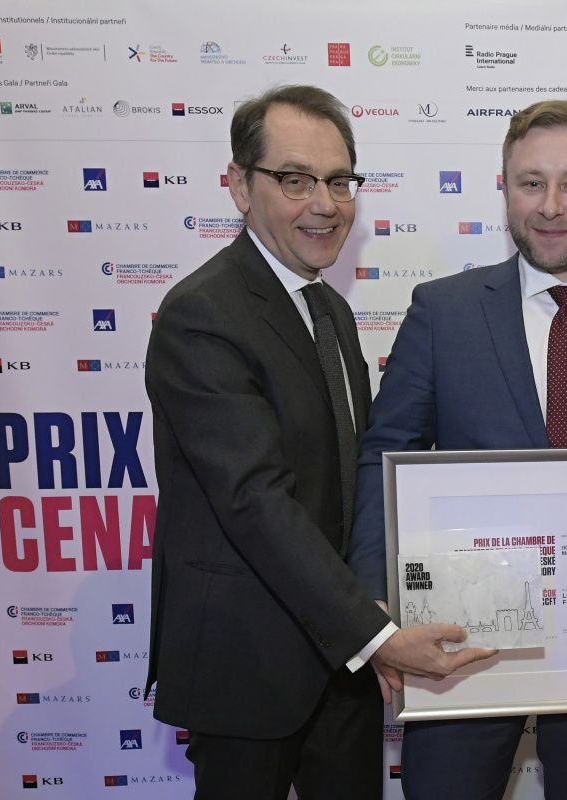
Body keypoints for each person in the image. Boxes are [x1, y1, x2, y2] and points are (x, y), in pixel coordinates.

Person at [145, 84, 492, 800]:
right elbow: (254, 500)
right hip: (248, 670)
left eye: (339, 181)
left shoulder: (329, 308)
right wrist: (377, 634)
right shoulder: (202, 315)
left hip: (344, 664)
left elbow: (349, 481)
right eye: (295, 180)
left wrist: (377, 617)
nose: (325, 204)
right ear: (239, 185)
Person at [351, 99, 567, 800]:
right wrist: (374, 606)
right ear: (505, 188)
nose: (551, 206)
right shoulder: (443, 313)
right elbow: (385, 457)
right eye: (532, 182)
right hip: (461, 640)